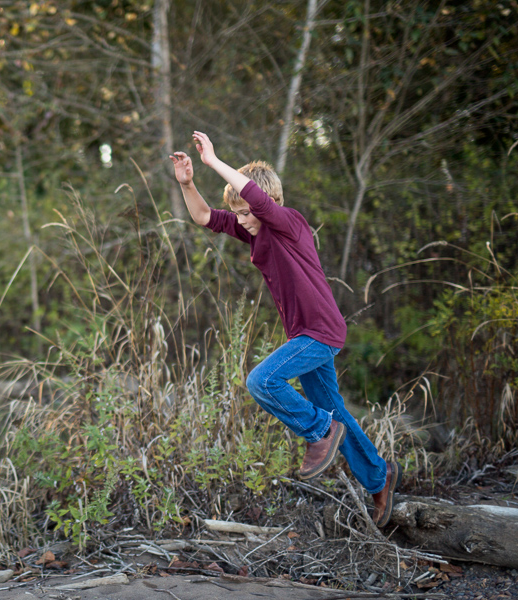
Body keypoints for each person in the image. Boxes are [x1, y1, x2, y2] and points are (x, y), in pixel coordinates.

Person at [169, 131, 400, 527]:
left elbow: (255, 199)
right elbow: (206, 217)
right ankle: (380, 478)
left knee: (261, 381)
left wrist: (212, 162)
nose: (241, 218)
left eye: (246, 211)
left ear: (268, 204)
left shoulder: (288, 222)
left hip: (320, 331)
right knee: (336, 410)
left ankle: (320, 432)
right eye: (238, 213)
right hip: (304, 334)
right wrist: (188, 183)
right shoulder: (254, 228)